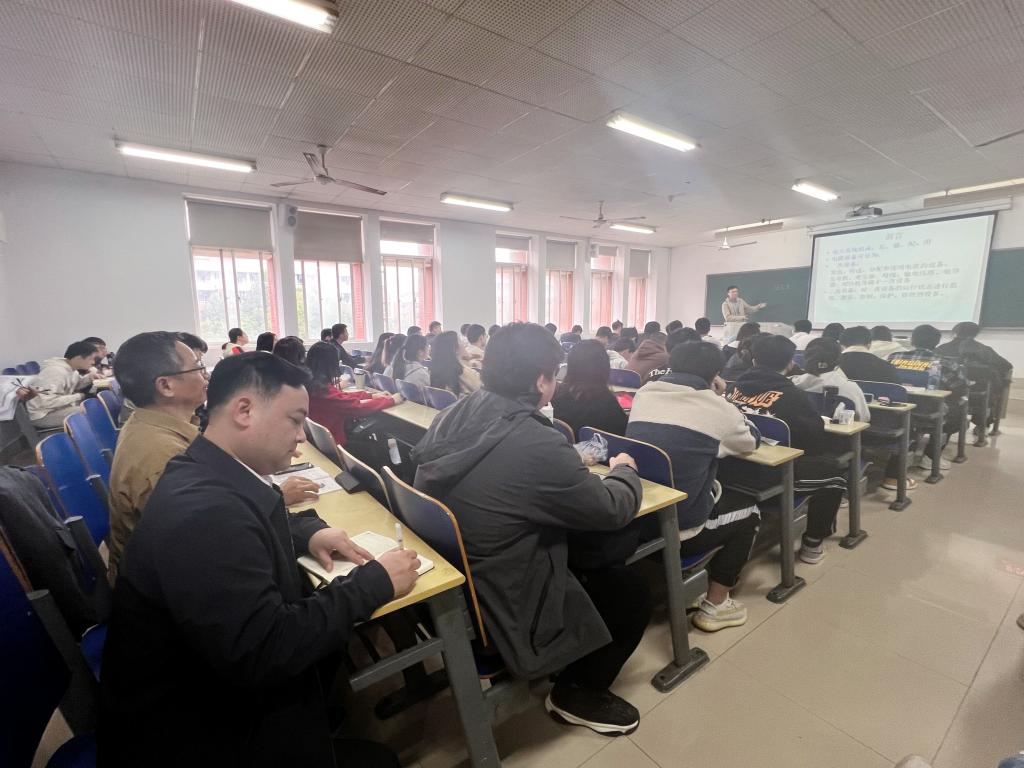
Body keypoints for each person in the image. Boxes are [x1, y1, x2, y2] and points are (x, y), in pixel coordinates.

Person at [99, 352, 418, 768]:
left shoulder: (203, 466)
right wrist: (373, 583)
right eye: (294, 420)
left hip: (209, 694)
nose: (301, 435)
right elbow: (266, 649)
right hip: (195, 730)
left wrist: (308, 532)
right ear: (244, 411)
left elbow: (256, 509)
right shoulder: (204, 516)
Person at [411, 322, 650, 736]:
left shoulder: (454, 413)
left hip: (458, 577)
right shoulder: (534, 439)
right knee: (628, 585)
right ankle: (577, 692)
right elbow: (611, 509)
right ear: (541, 380)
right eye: (554, 375)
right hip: (504, 596)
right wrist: (624, 471)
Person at [627, 341, 761, 631]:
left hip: (636, 513)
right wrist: (721, 399)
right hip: (680, 529)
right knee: (750, 512)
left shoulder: (644, 393)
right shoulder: (717, 407)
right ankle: (716, 605)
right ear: (715, 374)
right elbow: (752, 441)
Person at [727, 335, 846, 564]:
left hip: (731, 467)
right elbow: (814, 441)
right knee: (835, 474)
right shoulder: (793, 395)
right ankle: (812, 545)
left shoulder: (733, 388)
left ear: (753, 360)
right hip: (769, 475)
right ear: (790, 363)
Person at [889, 324, 969, 471]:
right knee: (958, 412)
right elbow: (961, 387)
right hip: (929, 411)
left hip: (896, 408)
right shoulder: (946, 363)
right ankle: (930, 457)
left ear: (912, 340)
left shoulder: (894, 357)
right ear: (936, 342)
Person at [306, 342, 400, 447]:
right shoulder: (324, 391)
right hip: (337, 444)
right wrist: (391, 400)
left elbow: (341, 397)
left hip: (323, 441)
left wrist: (371, 396)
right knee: (379, 447)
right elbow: (358, 407)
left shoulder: (313, 385)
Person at [937, 321, 1013, 435]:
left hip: (944, 392)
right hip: (976, 395)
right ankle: (982, 425)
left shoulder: (941, 349)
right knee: (993, 386)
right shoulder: (984, 350)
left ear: (955, 332)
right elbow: (1006, 366)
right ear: (976, 334)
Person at [551, 340, 628, 439]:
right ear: (604, 367)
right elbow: (624, 435)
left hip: (565, 447)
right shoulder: (607, 405)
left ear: (570, 367)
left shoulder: (557, 397)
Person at [790, 338, 870, 421]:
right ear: (838, 360)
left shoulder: (792, 383)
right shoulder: (850, 388)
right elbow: (864, 417)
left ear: (806, 358)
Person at [25, 340, 99, 428]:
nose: (93, 362)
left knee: (92, 408)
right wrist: (79, 396)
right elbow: (46, 402)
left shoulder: (72, 370)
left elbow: (76, 385)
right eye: (91, 359)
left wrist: (90, 377)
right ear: (79, 358)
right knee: (91, 411)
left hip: (56, 409)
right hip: (43, 415)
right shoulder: (54, 372)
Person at [428, 331, 480, 396]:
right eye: (460, 341)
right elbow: (482, 388)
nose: (464, 344)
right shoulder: (461, 371)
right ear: (455, 349)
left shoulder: (433, 371)